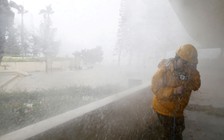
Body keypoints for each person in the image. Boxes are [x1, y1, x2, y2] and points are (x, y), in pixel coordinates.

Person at [151, 44, 201, 140]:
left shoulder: (189, 71)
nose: (186, 66)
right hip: (163, 109)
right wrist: (174, 91)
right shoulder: (164, 70)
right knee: (170, 134)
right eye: (184, 62)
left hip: (177, 111)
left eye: (189, 63)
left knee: (179, 130)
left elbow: (196, 85)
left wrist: (193, 70)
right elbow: (156, 89)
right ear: (177, 58)